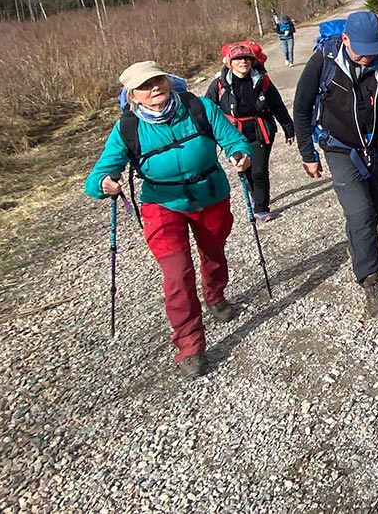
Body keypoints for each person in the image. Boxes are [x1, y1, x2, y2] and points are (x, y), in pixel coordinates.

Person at [85, 61, 253, 377]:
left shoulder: (200, 108)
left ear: (167, 80)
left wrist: (240, 153)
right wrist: (104, 183)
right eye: (145, 86)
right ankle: (190, 346)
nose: (154, 88)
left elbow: (232, 138)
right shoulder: (128, 128)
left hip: (210, 194)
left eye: (158, 80)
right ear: (132, 95)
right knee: (177, 275)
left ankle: (215, 296)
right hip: (161, 205)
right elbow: (97, 177)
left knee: (214, 252)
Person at [293, 11, 378, 320]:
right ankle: (372, 280)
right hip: (339, 147)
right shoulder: (323, 63)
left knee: (374, 209)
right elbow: (302, 109)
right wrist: (309, 154)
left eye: (373, 51)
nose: (367, 59)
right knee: (359, 212)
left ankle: (359, 247)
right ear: (345, 40)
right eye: (362, 52)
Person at [205, 41, 294, 223]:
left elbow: (277, 105)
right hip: (233, 135)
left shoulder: (262, 81)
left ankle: (261, 207)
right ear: (229, 62)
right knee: (245, 169)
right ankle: (255, 194)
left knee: (259, 170)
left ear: (253, 61)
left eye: (246, 58)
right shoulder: (219, 85)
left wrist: (288, 127)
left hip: (260, 130)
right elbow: (207, 110)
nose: (243, 62)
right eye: (238, 59)